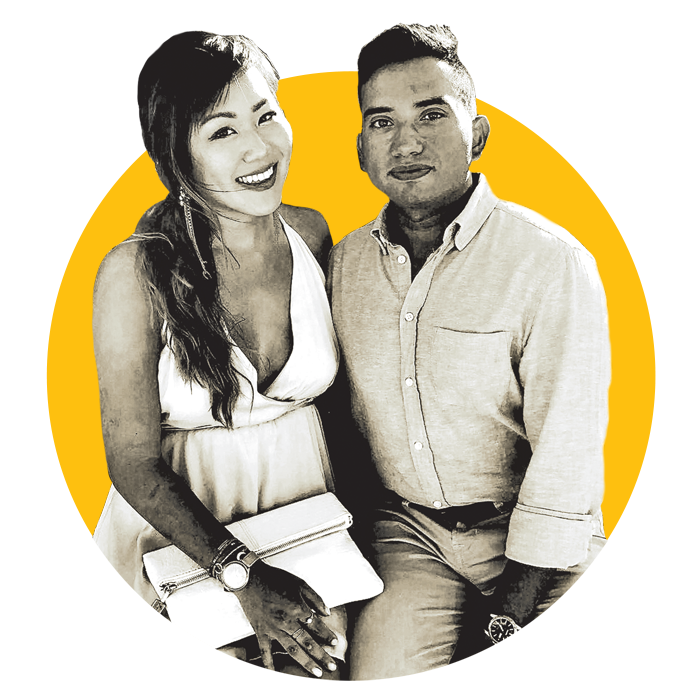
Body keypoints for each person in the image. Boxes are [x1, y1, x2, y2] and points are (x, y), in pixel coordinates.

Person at [325, 24, 611, 681]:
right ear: (361, 150)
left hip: (531, 535)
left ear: (477, 136)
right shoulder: (344, 265)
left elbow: (567, 452)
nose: (406, 142)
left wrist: (506, 620)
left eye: (432, 114)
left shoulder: (549, 263)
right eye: (382, 121)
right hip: (409, 537)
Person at [91, 32, 345, 681]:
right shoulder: (134, 272)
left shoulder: (313, 233)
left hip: (309, 517)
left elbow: (344, 409)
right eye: (223, 131)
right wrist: (242, 575)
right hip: (182, 539)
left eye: (266, 115)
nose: (259, 148)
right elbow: (132, 461)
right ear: (178, 154)